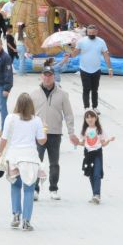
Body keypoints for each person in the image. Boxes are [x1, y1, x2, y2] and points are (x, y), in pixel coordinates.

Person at [0, 93, 47, 231]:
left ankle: (16, 215)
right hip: (30, 157)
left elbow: (4, 138)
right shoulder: (37, 120)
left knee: (15, 186)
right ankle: (26, 221)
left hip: (14, 157)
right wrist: (45, 130)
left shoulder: (10, 118)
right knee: (29, 189)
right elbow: (42, 141)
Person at [29, 67, 79, 200]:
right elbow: (29, 115)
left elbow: (68, 114)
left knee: (54, 163)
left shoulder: (62, 94)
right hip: (38, 135)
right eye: (45, 75)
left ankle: (53, 189)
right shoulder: (33, 94)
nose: (47, 78)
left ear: (53, 77)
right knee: (36, 162)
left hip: (55, 133)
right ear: (41, 76)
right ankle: (35, 190)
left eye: (50, 75)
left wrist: (71, 132)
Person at [70, 24, 113, 111]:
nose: (91, 34)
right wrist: (73, 47)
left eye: (93, 33)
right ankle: (86, 107)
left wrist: (110, 68)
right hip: (84, 69)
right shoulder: (81, 41)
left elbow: (106, 55)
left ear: (96, 32)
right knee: (86, 89)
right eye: (89, 33)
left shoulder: (101, 42)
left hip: (96, 69)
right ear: (87, 33)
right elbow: (74, 55)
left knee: (95, 89)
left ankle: (95, 107)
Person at [77, 109, 115, 204]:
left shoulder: (99, 130)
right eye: (87, 117)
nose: (90, 119)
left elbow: (103, 143)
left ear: (96, 118)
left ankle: (97, 195)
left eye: (92, 117)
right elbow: (82, 143)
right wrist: (76, 142)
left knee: (97, 173)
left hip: (97, 153)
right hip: (88, 154)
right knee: (90, 173)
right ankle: (95, 194)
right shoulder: (84, 130)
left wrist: (109, 140)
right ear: (85, 119)